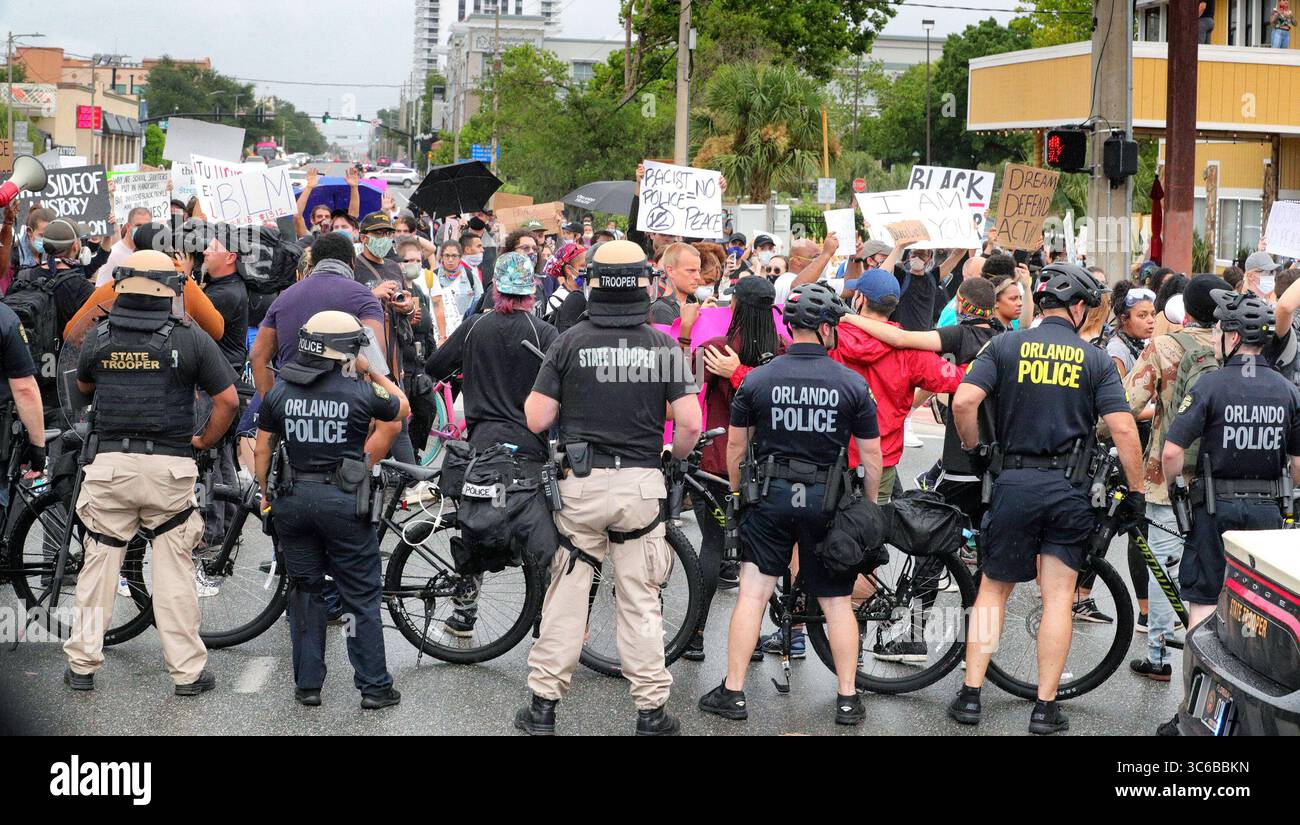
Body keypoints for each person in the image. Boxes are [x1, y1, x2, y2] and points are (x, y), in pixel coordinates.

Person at [948, 263, 1145, 734]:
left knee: (993, 590)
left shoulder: (1004, 344)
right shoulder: (1095, 359)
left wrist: (976, 450)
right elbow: (1122, 429)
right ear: (1078, 308)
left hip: (1014, 483)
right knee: (1058, 597)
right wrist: (1136, 491)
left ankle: (971, 696)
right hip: (1069, 489)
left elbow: (962, 402)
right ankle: (1044, 708)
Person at [515, 240, 701, 736]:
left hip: (580, 486)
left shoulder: (569, 341)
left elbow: (536, 416)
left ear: (592, 283)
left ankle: (543, 708)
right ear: (645, 284)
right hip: (641, 486)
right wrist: (673, 459)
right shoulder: (662, 346)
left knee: (568, 594)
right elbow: (690, 423)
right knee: (640, 600)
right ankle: (650, 713)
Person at [697, 282, 881, 726]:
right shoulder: (851, 384)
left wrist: (740, 496)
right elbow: (871, 457)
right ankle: (848, 698)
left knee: (753, 594)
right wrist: (867, 508)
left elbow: (737, 450)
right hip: (828, 500)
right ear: (823, 329)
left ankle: (734, 692)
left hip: (771, 498)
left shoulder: (758, 378)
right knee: (836, 602)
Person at [62, 250, 238, 694]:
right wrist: (205, 441)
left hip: (110, 469)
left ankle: (82, 666)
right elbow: (229, 401)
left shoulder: (99, 337)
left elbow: (82, 389)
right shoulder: (191, 338)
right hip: (170, 468)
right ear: (171, 288)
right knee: (174, 571)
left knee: (99, 565)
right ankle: (187, 674)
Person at [1158, 289, 1300, 734]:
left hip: (1216, 507)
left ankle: (1192, 708)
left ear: (1234, 337)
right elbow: (1298, 465)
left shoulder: (1211, 384)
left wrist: (1177, 489)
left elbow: (1171, 451)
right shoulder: (1286, 389)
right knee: (1257, 606)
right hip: (1269, 516)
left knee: (1202, 601)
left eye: (1223, 329)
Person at [255, 310, 408, 708]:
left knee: (306, 590)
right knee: (359, 595)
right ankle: (374, 687)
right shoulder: (359, 391)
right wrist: (371, 371)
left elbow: (262, 446)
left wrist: (264, 492)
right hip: (344, 502)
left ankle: (308, 686)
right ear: (346, 351)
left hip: (291, 499)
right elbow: (401, 407)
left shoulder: (281, 390)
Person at [424, 252, 558, 633]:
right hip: (530, 447)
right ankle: (546, 622)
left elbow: (435, 367)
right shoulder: (543, 333)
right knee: (539, 532)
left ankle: (464, 613)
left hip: (482, 447)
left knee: (478, 523)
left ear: (495, 288)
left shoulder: (475, 328)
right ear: (532, 291)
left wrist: (470, 371)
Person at [1123, 274, 1230, 683]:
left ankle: (1158, 656)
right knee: (1214, 566)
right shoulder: (1231, 348)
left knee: (1165, 562)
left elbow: (1129, 402)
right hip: (1218, 476)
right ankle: (1215, 650)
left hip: (1166, 474)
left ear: (1184, 310)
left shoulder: (1165, 346)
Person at [682, 276, 787, 660]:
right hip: (767, 468)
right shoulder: (785, 352)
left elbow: (685, 392)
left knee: (711, 544)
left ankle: (693, 634)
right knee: (753, 556)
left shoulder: (715, 349)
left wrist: (686, 334)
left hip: (715, 464)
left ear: (737, 308)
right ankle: (752, 640)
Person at [92, 207, 153, 287]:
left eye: (146, 226)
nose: (142, 229)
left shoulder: (151, 252)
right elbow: (100, 290)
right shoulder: (113, 255)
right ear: (128, 226)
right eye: (138, 225)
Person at [650, 242, 703, 324]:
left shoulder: (690, 303)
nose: (698, 277)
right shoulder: (661, 310)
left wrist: (704, 314)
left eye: (698, 271)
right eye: (691, 271)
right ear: (670, 271)